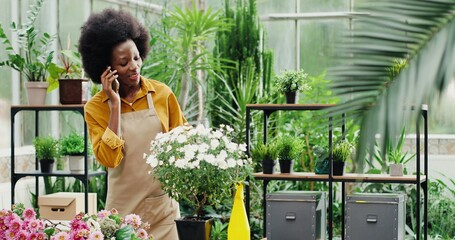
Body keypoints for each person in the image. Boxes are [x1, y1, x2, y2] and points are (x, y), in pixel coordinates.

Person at [79, 9, 186, 239]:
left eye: (136, 57)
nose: (135, 66)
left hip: (163, 212)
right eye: (124, 62)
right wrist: (114, 105)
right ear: (106, 68)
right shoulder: (96, 107)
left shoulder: (162, 94)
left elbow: (183, 144)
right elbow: (110, 159)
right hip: (122, 214)